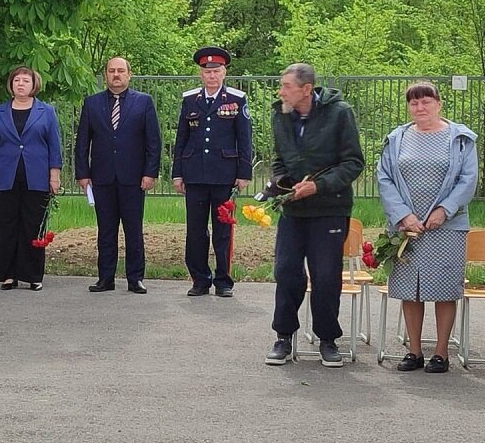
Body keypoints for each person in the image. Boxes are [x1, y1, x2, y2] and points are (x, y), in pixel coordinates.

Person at [264, 63, 364, 367]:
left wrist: (318, 186)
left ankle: (328, 340)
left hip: (329, 209)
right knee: (287, 271)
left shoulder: (339, 112)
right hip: (293, 210)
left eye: (287, 86)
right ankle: (283, 336)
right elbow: (279, 159)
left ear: (306, 90)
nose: (281, 92)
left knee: (324, 275)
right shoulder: (280, 113)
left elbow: (353, 163)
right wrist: (283, 185)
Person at [377, 81, 477, 374]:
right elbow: (384, 178)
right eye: (414, 103)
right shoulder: (397, 138)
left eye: (426, 102)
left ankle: (442, 353)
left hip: (447, 225)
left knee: (445, 288)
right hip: (407, 227)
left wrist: (444, 210)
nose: (420, 108)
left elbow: (467, 179)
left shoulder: (460, 139)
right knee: (411, 288)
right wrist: (404, 216)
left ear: (439, 104)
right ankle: (415, 351)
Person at [74, 56, 162, 294]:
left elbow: (153, 142)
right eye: (111, 71)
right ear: (106, 75)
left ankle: (135, 278)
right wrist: (83, 173)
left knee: (133, 230)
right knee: (106, 230)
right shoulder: (92, 103)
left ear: (129, 75)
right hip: (102, 178)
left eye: (120, 71)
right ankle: (106, 278)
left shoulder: (143, 102)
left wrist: (150, 173)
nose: (116, 75)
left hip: (133, 178)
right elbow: (82, 142)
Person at [172, 46, 253, 298]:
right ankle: (199, 279)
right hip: (195, 174)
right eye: (207, 72)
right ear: (201, 74)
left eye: (216, 71)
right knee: (195, 231)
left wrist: (244, 173)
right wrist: (178, 173)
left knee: (223, 230)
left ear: (224, 73)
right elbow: (181, 139)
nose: (212, 76)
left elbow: (244, 139)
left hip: (224, 175)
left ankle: (223, 280)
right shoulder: (190, 100)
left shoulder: (236, 100)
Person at [0, 66, 63, 291]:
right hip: (5, 176)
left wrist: (54, 175)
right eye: (17, 80)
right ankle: (8, 275)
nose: (21, 84)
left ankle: (33, 275)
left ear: (34, 84)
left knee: (33, 225)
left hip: (36, 176)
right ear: (11, 84)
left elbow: (55, 146)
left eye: (25, 80)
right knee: (6, 225)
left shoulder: (46, 111)